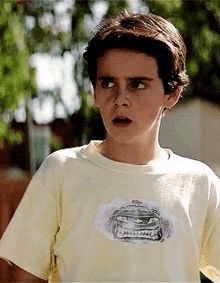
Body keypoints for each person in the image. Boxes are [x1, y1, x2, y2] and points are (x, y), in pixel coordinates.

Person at [0, 10, 220, 283]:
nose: (120, 99)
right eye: (108, 82)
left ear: (171, 93)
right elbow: (23, 278)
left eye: (138, 84)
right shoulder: (61, 172)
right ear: (94, 91)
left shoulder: (200, 183)